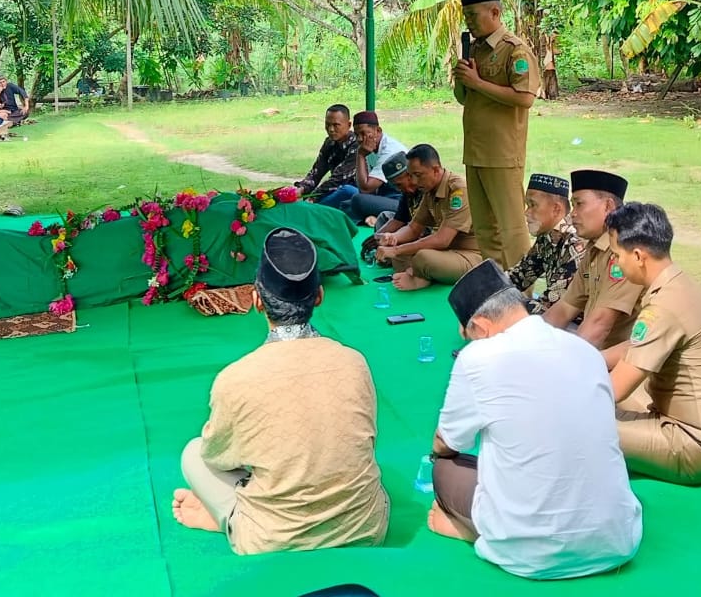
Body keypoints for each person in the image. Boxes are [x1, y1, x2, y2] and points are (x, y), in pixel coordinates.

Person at [173, 226, 388, 554]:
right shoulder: (354, 362)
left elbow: (216, 455)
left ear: (256, 299)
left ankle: (229, 518)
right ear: (319, 296)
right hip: (366, 528)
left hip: (275, 539)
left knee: (193, 454)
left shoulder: (236, 378)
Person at [428, 260, 642, 579]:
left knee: (444, 467)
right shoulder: (585, 352)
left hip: (529, 554)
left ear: (482, 327)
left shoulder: (478, 358)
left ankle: (477, 532)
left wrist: (441, 451)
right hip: (617, 541)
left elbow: (447, 443)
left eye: (470, 336)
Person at [603, 201, 701, 486]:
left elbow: (615, 390)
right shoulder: (677, 285)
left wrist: (559, 390)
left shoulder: (664, 307)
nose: (616, 263)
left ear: (637, 255)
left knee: (575, 422)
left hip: (698, 449)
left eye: (617, 255)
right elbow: (634, 347)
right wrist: (585, 358)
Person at [452, 0, 540, 270]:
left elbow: (525, 98)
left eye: (473, 15)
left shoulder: (515, 51)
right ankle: (496, 287)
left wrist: (479, 83)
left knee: (511, 229)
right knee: (485, 230)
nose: (468, 21)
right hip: (475, 152)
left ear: (495, 12)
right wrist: (464, 80)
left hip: (502, 153)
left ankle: (523, 294)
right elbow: (465, 99)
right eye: (465, 15)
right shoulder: (475, 48)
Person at [543, 170, 644, 348]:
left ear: (608, 207)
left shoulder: (626, 251)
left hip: (625, 362)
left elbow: (599, 325)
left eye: (579, 204)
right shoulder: (594, 249)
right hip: (600, 355)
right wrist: (529, 341)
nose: (572, 214)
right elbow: (565, 308)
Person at [376, 143, 481, 291]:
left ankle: (421, 277)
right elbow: (413, 228)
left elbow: (442, 240)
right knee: (400, 253)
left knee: (423, 257)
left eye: (418, 175)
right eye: (411, 176)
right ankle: (421, 273)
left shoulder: (459, 190)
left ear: (436, 170)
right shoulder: (430, 190)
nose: (414, 182)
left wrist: (397, 250)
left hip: (471, 256)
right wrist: (393, 237)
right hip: (447, 253)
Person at [506, 172, 586, 312]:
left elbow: (549, 305)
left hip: (575, 326)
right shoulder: (546, 235)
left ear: (556, 209)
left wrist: (496, 308)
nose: (526, 213)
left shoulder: (575, 244)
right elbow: (519, 277)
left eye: (533, 205)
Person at [316, 111, 405, 214]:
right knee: (347, 194)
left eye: (363, 133)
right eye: (357, 134)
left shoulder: (389, 151)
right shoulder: (370, 146)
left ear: (378, 130)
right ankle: (315, 210)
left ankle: (316, 212)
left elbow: (366, 189)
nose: (359, 139)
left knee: (357, 201)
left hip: (401, 202)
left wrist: (360, 155)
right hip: (381, 196)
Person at [359, 152, 424, 264]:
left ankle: (393, 254)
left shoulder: (426, 188)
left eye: (399, 185)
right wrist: (376, 237)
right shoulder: (407, 193)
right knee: (384, 217)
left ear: (409, 175)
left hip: (423, 231)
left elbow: (417, 229)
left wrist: (391, 239)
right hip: (410, 228)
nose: (399, 189)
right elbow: (398, 220)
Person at [294, 104, 358, 201]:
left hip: (355, 192)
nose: (331, 129)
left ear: (349, 125)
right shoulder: (329, 142)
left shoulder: (357, 144)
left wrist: (313, 197)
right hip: (336, 190)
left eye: (336, 125)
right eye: (327, 124)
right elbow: (317, 171)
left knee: (346, 190)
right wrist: (301, 189)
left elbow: (339, 179)